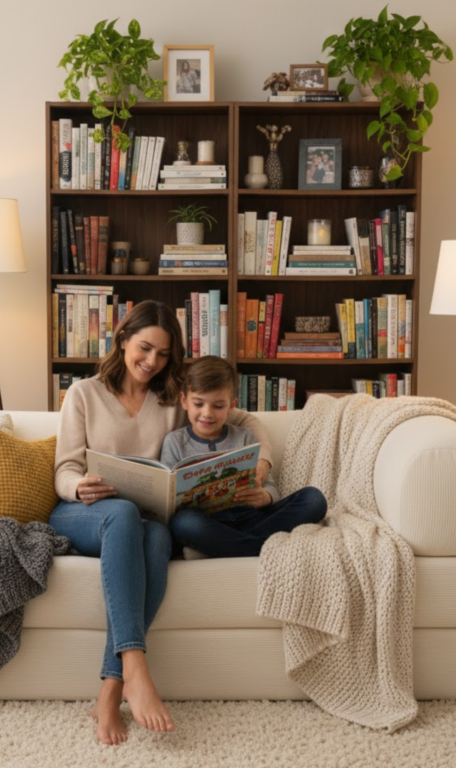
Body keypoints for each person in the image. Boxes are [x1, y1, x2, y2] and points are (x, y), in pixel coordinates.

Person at [51, 301, 275, 746]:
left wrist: (263, 462)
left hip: (141, 521)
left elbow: (244, 419)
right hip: (85, 514)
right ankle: (134, 668)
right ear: (122, 340)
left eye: (162, 354)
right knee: (122, 512)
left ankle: (111, 689)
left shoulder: (172, 395)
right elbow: (63, 470)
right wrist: (79, 487)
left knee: (155, 536)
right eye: (144, 348)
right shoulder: (83, 393)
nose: (151, 362)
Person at [162, 356, 327, 559]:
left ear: (232, 406)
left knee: (314, 498)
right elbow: (167, 499)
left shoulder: (245, 436)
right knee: (183, 523)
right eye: (199, 404)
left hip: (252, 517)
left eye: (218, 406)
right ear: (184, 401)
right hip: (208, 522)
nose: (207, 413)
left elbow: (270, 486)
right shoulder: (174, 442)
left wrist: (265, 497)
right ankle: (260, 548)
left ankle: (233, 547)